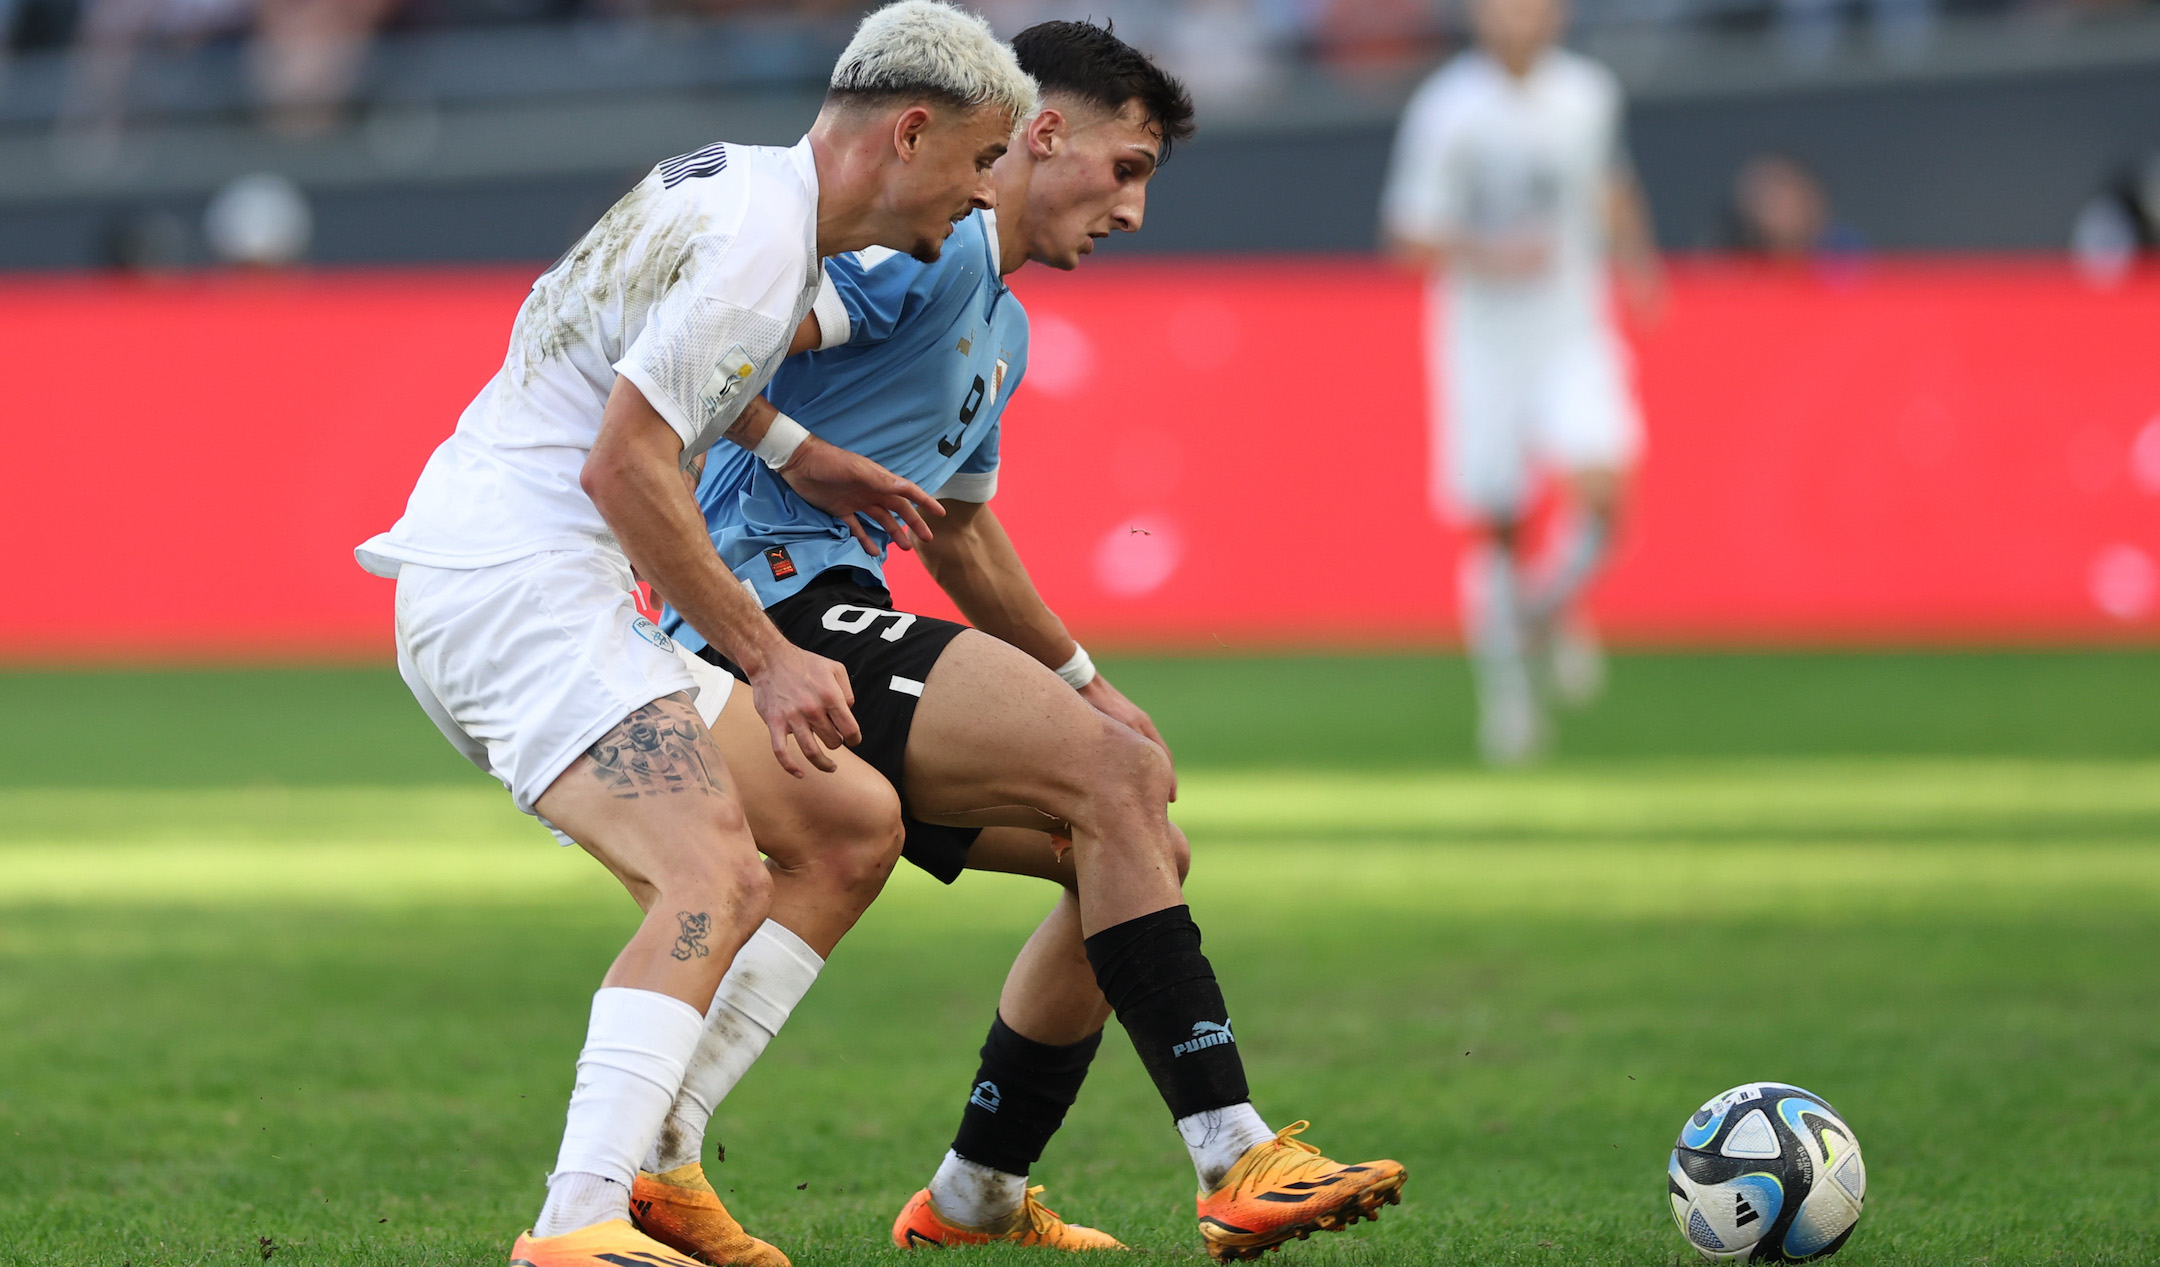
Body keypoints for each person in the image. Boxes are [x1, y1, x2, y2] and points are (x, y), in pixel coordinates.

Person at [645, 21, 1406, 1264]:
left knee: (1131, 835)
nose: (1137, 211)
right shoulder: (912, 253)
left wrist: (1086, 685)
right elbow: (700, 352)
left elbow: (958, 538)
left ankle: (973, 1193)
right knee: (1111, 789)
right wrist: (801, 458)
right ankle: (1233, 1153)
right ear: (1042, 134)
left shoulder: (1002, 328)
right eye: (1129, 166)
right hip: (765, 618)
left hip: (833, 611)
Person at [351, 5, 1035, 1265]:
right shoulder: (757, 248)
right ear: (912, 132)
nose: (989, 192)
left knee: (849, 823)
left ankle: (658, 1170)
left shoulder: (736, 186)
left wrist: (797, 451)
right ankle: (575, 1222)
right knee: (710, 873)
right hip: (517, 589)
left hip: (518, 579)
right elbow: (627, 466)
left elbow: (652, 364)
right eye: (985, 160)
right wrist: (771, 659)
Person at [1379, 0, 1662, 765]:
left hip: (1571, 328)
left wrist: (1637, 263)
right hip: (1483, 345)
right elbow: (1405, 233)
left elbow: (1611, 181)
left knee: (1605, 490)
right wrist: (1484, 253)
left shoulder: (1588, 93)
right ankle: (1509, 700)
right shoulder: (1448, 109)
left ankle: (1551, 602)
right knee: (1500, 519)